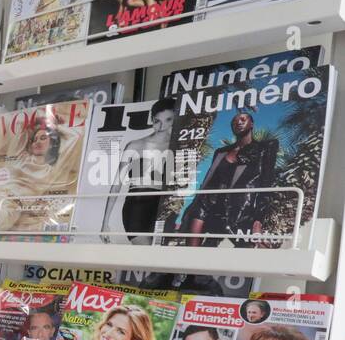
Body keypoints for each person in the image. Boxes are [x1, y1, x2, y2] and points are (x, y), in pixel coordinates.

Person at [181, 111, 279, 248]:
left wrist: (258, 220)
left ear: (252, 124)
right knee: (191, 249)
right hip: (208, 201)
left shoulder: (264, 148)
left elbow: (266, 183)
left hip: (240, 206)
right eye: (234, 121)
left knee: (241, 253)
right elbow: (210, 179)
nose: (238, 122)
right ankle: (188, 269)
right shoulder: (221, 152)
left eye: (243, 119)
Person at [100, 98, 176, 244]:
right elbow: (117, 185)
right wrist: (105, 223)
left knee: (162, 261)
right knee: (146, 259)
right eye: (157, 120)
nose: (162, 126)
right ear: (152, 119)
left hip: (163, 207)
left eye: (168, 120)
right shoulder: (135, 145)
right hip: (136, 206)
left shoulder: (177, 146)